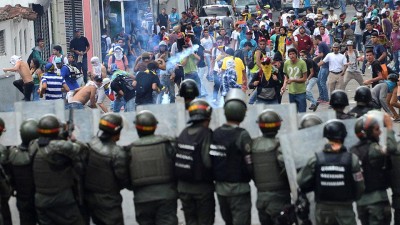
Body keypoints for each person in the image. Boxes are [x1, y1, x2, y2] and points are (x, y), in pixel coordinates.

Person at [297, 120, 365, 225]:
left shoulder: (316, 159)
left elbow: (301, 181)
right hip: (345, 208)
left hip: (323, 209)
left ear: (326, 136)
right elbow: (360, 187)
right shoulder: (352, 159)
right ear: (344, 136)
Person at [30, 114, 86, 225]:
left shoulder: (33, 145)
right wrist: (71, 138)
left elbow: (48, 144)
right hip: (62, 198)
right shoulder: (60, 146)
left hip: (40, 199)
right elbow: (81, 149)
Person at [210, 89, 253, 225]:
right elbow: (250, 162)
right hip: (239, 190)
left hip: (221, 189)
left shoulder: (215, 133)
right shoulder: (242, 135)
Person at [127, 110, 178, 225]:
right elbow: (178, 168)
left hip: (142, 198)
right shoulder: (169, 144)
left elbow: (125, 177)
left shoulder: (130, 150)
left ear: (137, 128)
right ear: (155, 126)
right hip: (167, 196)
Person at [350, 113, 398, 225]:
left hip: (361, 202)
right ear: (368, 132)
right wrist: (390, 127)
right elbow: (392, 148)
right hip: (377, 202)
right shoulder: (374, 150)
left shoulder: (353, 151)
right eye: (377, 129)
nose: (380, 132)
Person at [175, 99, 215, 225]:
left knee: (190, 221)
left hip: (183, 189)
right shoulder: (206, 134)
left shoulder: (183, 133)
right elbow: (208, 162)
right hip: (202, 189)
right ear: (206, 117)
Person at [85, 113, 129, 225]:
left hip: (88, 198)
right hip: (109, 202)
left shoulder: (90, 145)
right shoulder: (117, 153)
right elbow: (124, 180)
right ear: (116, 131)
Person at [252, 110, 291, 224]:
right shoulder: (282, 146)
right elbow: (290, 172)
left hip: (261, 199)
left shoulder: (253, 145)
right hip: (280, 200)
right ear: (278, 125)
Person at [3, 119, 39, 225]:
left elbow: (9, 177)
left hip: (23, 199)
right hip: (40, 198)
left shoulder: (13, 154)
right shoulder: (42, 153)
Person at [281, 48, 307, 112]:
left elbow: (304, 79)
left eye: (293, 54)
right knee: (293, 113)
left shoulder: (302, 63)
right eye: (290, 54)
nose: (292, 56)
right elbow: (286, 77)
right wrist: (284, 86)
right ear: (288, 55)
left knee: (302, 112)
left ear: (296, 54)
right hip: (291, 92)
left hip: (301, 92)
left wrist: (293, 80)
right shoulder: (286, 63)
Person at [313, 35, 331, 104]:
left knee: (322, 82)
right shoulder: (323, 44)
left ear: (317, 39)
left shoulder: (320, 44)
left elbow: (321, 55)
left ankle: (326, 98)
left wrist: (314, 58)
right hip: (324, 65)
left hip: (326, 66)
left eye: (314, 40)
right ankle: (321, 97)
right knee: (318, 80)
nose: (314, 42)